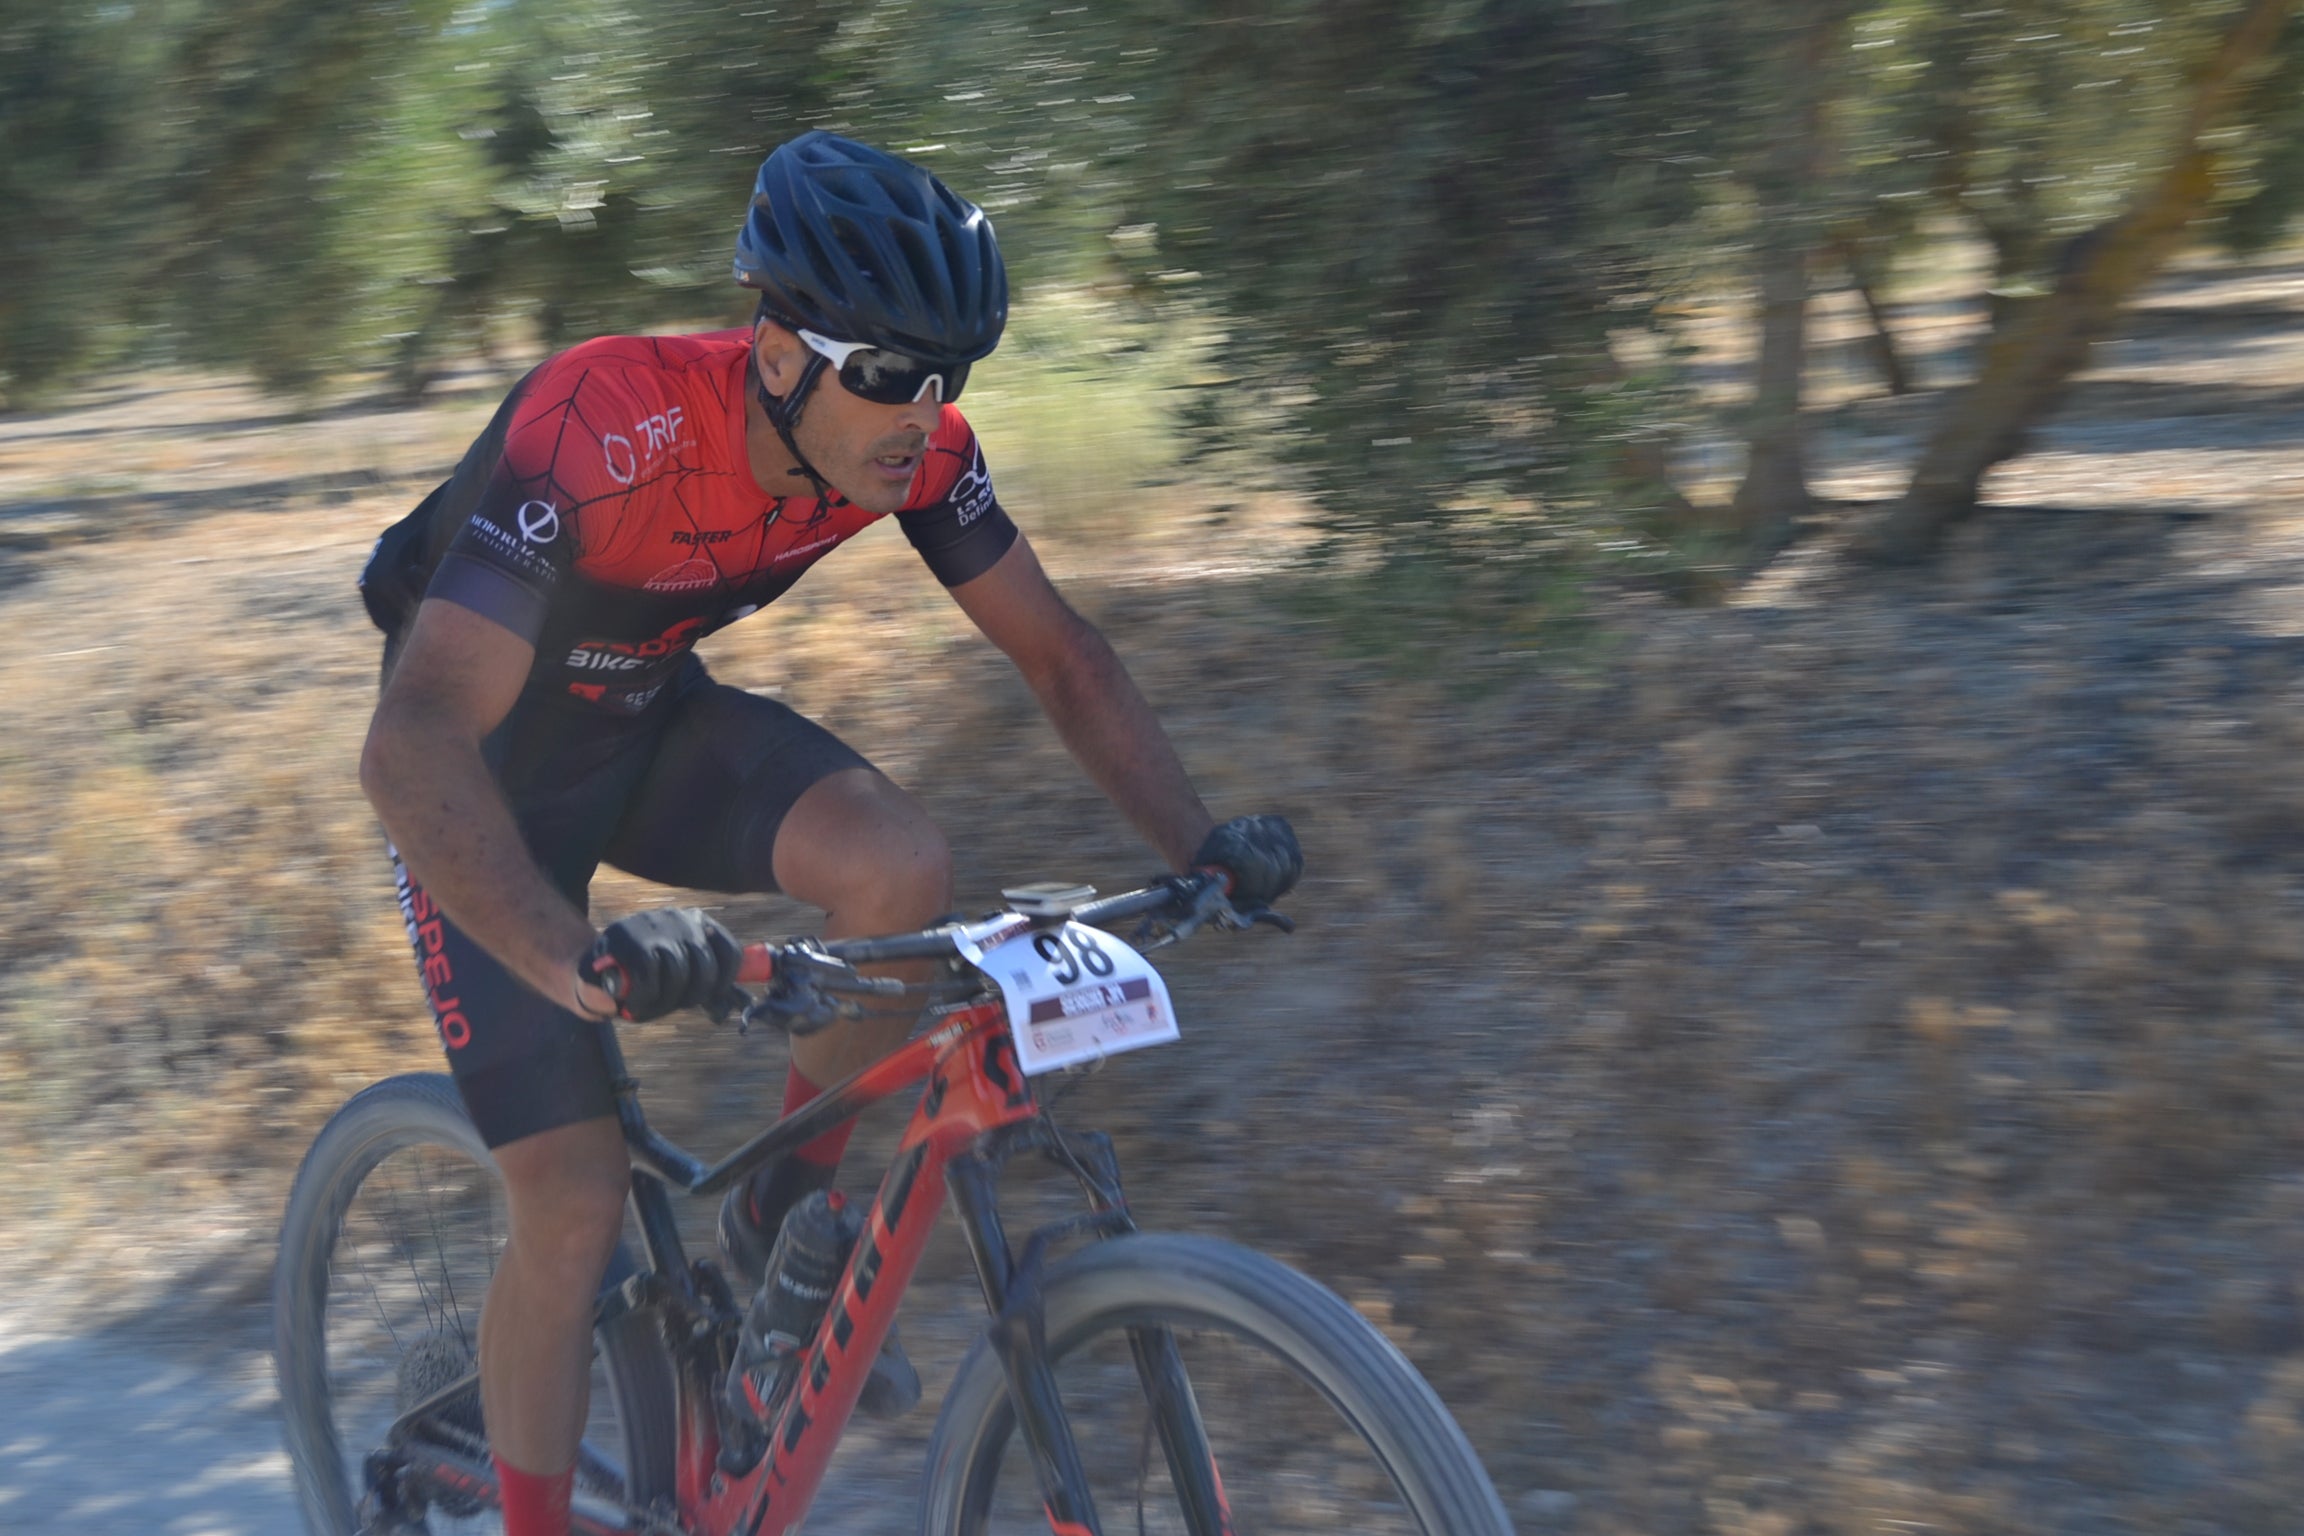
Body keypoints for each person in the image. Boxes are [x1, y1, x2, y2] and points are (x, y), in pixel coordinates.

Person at [355, 130, 1301, 1536]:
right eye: (891, 376)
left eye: (953, 377)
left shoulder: (916, 454)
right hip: (481, 784)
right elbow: (412, 741)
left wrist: (1200, 845)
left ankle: (769, 1230)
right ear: (780, 353)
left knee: (899, 870)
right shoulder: (603, 422)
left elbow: (1060, 656)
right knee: (572, 1202)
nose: (925, 414)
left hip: (644, 726)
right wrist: (575, 960)